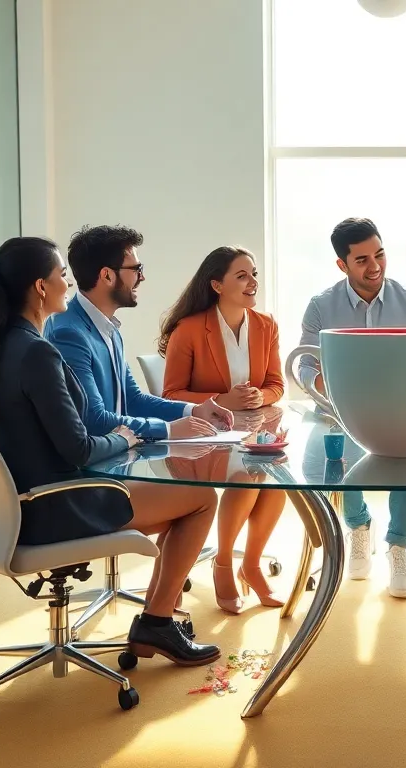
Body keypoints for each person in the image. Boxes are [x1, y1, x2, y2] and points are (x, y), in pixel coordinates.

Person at [0, 236, 222, 666]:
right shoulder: (39, 352)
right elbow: (80, 446)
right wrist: (127, 439)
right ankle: (157, 622)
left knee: (177, 506)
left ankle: (157, 620)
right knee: (202, 499)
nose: (66, 285)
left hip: (20, 505)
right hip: (56, 506)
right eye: (61, 277)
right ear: (40, 287)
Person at [296, 217, 406, 598]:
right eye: (361, 260)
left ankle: (398, 545)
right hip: (339, 415)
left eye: (379, 254)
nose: (374, 266)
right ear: (342, 265)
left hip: (402, 414)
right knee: (330, 453)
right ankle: (358, 526)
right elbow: (305, 367)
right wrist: (334, 391)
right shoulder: (321, 307)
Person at [159, 246, 287, 614]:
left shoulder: (266, 325)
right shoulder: (189, 329)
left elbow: (277, 384)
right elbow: (171, 394)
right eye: (242, 275)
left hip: (251, 432)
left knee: (277, 480)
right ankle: (224, 564)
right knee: (248, 477)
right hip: (203, 440)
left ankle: (251, 564)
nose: (253, 282)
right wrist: (226, 400)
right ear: (216, 284)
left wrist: (256, 395)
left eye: (254, 274)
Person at [45, 224, 233, 442]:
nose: (142, 277)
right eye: (136, 269)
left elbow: (132, 400)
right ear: (107, 275)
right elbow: (93, 420)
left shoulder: (108, 328)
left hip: (119, 454)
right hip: (96, 468)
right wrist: (168, 430)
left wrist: (193, 411)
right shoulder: (69, 333)